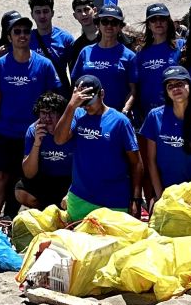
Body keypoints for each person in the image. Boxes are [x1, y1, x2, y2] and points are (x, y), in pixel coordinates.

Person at [0, 10, 60, 219]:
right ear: (9, 37)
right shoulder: (0, 65)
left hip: (34, 133)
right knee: (1, 176)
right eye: (17, 31)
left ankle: (16, 219)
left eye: (26, 32)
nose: (22, 35)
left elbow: (52, 98)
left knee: (26, 181)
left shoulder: (44, 65)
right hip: (4, 131)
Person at [52, 74, 141, 219]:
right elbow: (59, 139)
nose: (86, 106)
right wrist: (71, 106)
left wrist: (136, 199)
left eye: (90, 101)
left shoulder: (120, 121)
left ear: (102, 94)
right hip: (81, 198)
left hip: (114, 201)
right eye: (82, 102)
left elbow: (136, 163)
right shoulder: (77, 115)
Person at [138, 66, 191, 202]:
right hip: (163, 194)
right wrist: (161, 197)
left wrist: (187, 200)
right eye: (170, 86)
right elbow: (151, 162)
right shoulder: (155, 116)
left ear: (189, 85)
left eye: (180, 84)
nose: (175, 89)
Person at [71, 4, 134, 112]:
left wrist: (125, 111)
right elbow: (76, 86)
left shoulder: (129, 56)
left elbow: (134, 90)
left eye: (114, 22)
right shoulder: (85, 52)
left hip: (116, 116)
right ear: (98, 24)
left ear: (120, 27)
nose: (109, 26)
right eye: (105, 21)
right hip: (87, 114)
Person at [17, 92, 73, 210]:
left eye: (52, 113)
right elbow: (28, 173)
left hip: (69, 179)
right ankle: (47, 210)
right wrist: (37, 144)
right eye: (43, 113)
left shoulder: (72, 130)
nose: (47, 118)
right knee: (21, 192)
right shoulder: (33, 130)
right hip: (46, 179)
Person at [128, 3, 181, 124]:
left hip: (176, 111)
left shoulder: (180, 46)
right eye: (153, 19)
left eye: (162, 19)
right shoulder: (141, 53)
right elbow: (135, 87)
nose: (158, 23)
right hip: (147, 114)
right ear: (148, 24)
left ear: (168, 22)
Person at [28, 0, 74, 82]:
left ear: (52, 13)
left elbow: (74, 72)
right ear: (32, 15)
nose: (42, 16)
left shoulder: (65, 39)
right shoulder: (26, 39)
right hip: (35, 93)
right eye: (38, 12)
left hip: (60, 93)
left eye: (45, 11)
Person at [62, 0, 100, 80]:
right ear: (75, 16)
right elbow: (75, 77)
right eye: (79, 11)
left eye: (86, 9)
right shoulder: (76, 46)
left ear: (94, 10)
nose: (83, 14)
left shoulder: (108, 37)